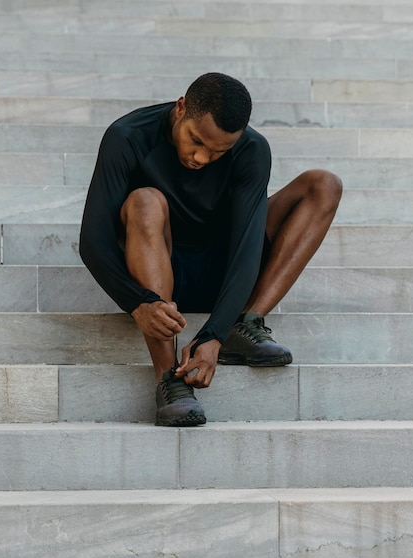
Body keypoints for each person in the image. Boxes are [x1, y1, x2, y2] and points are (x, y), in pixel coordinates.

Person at [79, 72, 342, 427]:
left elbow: (248, 247)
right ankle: (169, 378)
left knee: (323, 185)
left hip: (223, 269)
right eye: (196, 141)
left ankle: (246, 323)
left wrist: (215, 333)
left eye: (219, 151)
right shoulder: (127, 136)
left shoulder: (251, 149)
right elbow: (93, 241)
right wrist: (137, 303)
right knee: (144, 201)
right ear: (181, 108)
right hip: (157, 273)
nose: (202, 158)